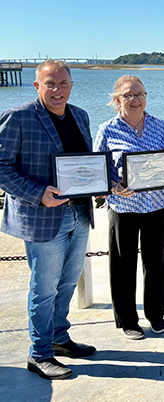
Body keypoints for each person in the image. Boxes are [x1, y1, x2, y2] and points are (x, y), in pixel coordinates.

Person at [0, 60, 96, 380]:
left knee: (67, 282)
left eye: (63, 83)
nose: (57, 90)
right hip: (41, 217)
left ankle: (59, 336)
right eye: (50, 84)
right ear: (37, 86)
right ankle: (39, 354)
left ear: (71, 85)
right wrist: (37, 192)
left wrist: (101, 183)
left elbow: (86, 163)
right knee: (44, 289)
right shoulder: (19, 117)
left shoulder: (80, 115)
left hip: (79, 213)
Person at [94, 76, 164, 339]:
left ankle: (156, 314)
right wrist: (113, 186)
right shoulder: (107, 129)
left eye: (141, 94)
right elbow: (99, 171)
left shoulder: (158, 125)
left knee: (156, 263)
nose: (136, 100)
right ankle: (128, 320)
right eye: (129, 95)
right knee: (123, 265)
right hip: (123, 206)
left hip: (155, 203)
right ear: (117, 99)